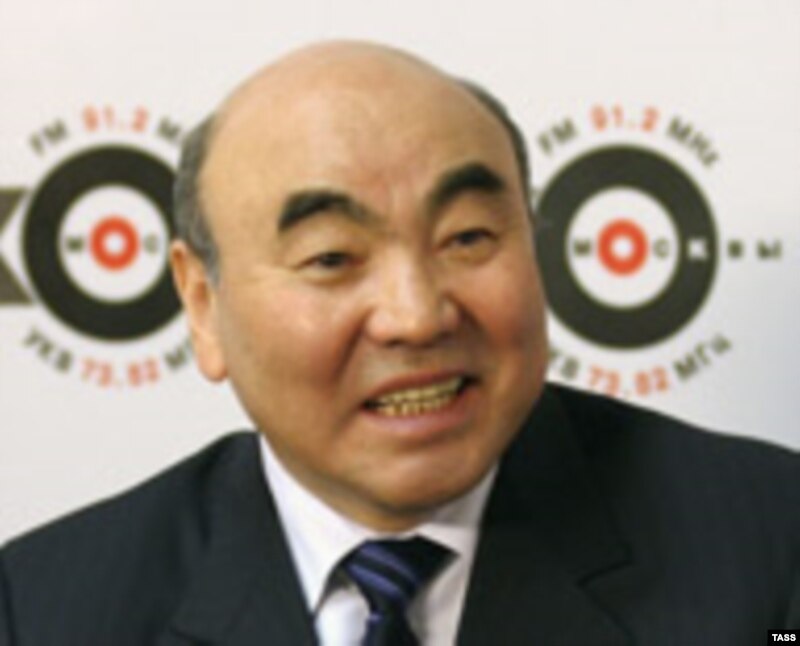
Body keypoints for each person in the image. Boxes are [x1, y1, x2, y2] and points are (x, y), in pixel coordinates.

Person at [1, 41, 798, 646]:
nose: (417, 317)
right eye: (331, 258)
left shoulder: (770, 547)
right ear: (203, 305)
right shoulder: (43, 610)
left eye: (468, 237)